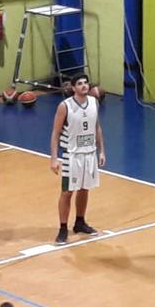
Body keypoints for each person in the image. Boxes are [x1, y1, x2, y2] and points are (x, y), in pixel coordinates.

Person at [49, 74, 106, 245]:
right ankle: (62, 228)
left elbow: (97, 127)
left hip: (89, 153)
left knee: (84, 188)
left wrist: (101, 151)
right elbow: (55, 133)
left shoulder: (94, 102)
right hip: (71, 155)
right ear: (73, 88)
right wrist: (54, 158)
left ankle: (80, 222)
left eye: (86, 83)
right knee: (67, 192)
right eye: (80, 83)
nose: (84, 86)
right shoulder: (65, 106)